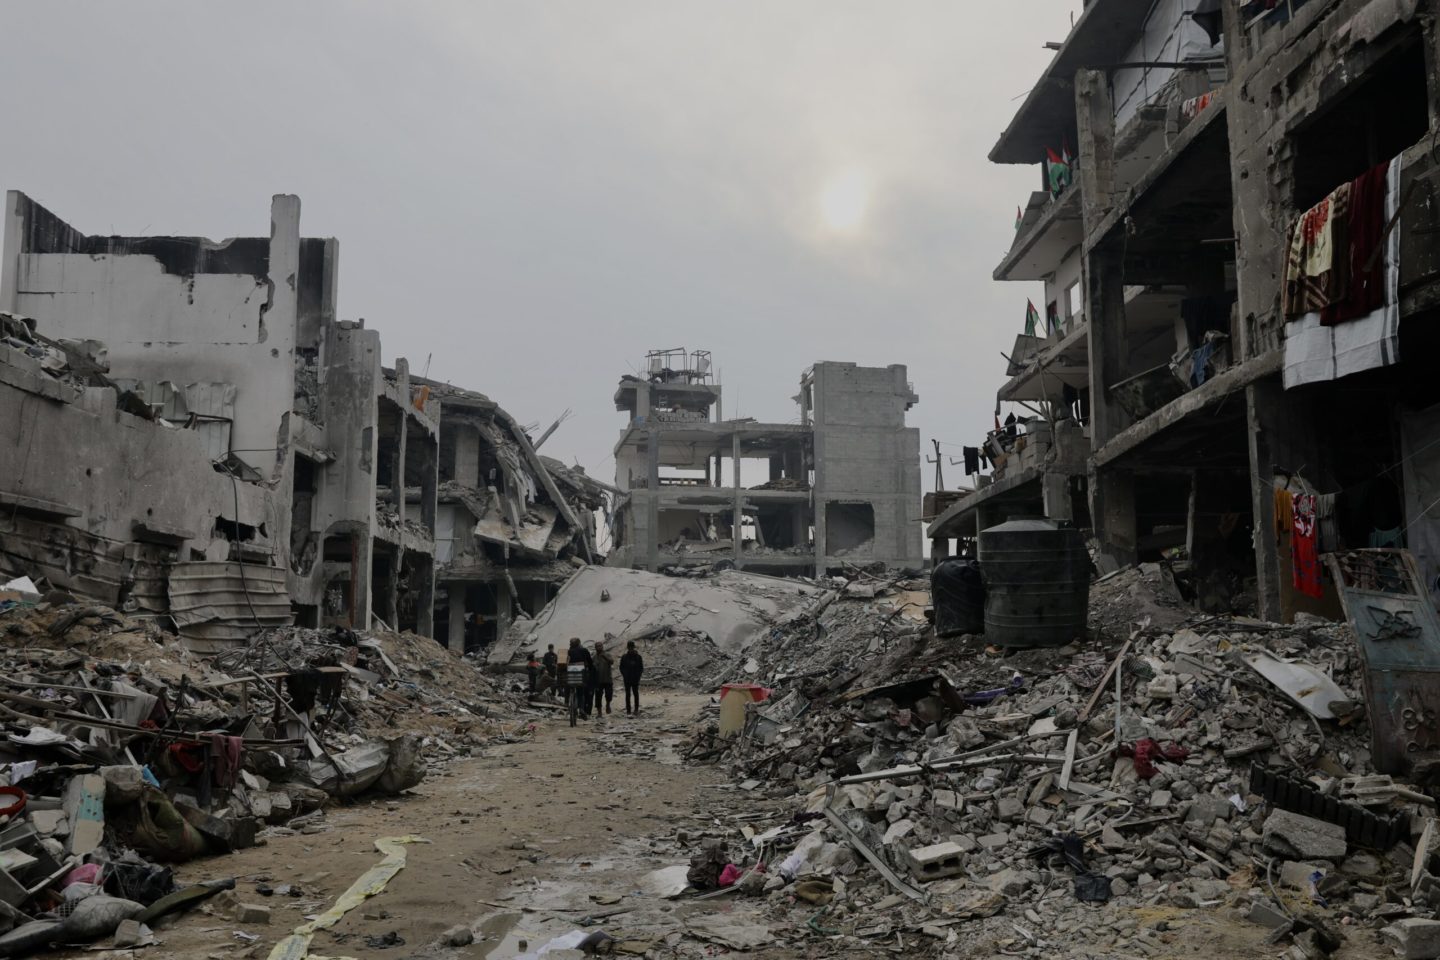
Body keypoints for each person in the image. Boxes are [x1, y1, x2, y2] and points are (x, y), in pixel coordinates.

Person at [566, 638, 593, 717]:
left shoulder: (569, 652)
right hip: (581, 673)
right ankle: (581, 708)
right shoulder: (584, 650)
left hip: (571, 674)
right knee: (580, 693)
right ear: (579, 643)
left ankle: (567, 701)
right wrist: (590, 669)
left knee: (569, 687)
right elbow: (590, 662)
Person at [620, 640, 644, 715]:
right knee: (628, 694)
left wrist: (638, 676)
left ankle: (636, 709)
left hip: (635, 679)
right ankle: (628, 710)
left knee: (635, 694)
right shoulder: (624, 657)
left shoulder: (638, 657)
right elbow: (621, 667)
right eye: (629, 648)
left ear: (633, 647)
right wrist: (625, 675)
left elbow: (641, 668)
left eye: (632, 648)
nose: (631, 649)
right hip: (627, 679)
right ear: (628, 648)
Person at [593, 641, 615, 716]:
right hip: (598, 680)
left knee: (609, 695)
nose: (599, 647)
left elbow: (612, 662)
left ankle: (608, 705)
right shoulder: (594, 657)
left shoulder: (607, 654)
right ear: (595, 648)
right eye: (598, 646)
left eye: (600, 646)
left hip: (607, 679)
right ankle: (599, 712)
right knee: (598, 696)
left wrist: (605, 657)